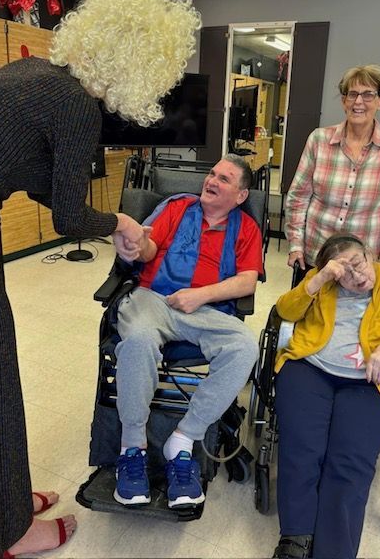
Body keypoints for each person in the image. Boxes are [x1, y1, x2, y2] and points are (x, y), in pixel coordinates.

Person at [0, 0, 201, 559]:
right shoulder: (72, 105)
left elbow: (33, 178)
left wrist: (110, 222)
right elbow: (69, 217)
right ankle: (2, 533)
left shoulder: (34, 75)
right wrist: (120, 220)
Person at [272, 233, 380, 559]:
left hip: (370, 384)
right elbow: (284, 310)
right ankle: (295, 541)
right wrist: (319, 278)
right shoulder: (321, 281)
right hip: (310, 370)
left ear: (369, 255)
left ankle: (334, 553)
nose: (356, 276)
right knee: (302, 448)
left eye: (359, 264)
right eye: (344, 272)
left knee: (349, 461)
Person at [111, 154, 262, 508]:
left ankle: (182, 440)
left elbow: (247, 281)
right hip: (154, 298)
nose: (212, 180)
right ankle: (132, 448)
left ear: (241, 195)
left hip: (207, 309)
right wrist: (136, 246)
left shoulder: (246, 228)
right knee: (137, 340)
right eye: (212, 173)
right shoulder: (176, 208)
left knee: (245, 347)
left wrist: (201, 295)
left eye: (224, 179)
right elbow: (148, 249)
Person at [285, 65, 380, 284]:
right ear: (344, 101)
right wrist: (296, 244)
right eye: (352, 94)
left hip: (363, 266)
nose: (358, 102)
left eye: (368, 94)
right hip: (317, 256)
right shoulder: (319, 140)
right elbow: (298, 197)